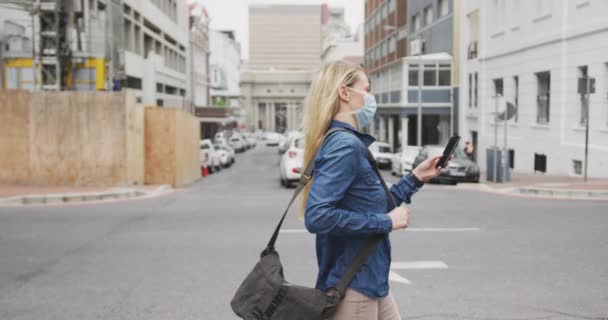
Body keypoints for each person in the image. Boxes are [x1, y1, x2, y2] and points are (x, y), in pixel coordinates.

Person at [300, 61, 445, 320]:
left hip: (371, 280)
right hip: (354, 286)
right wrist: (386, 221)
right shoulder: (344, 145)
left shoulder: (348, 142)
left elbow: (370, 202)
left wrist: (415, 178)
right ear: (345, 93)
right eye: (366, 89)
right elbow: (317, 216)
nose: (371, 97)